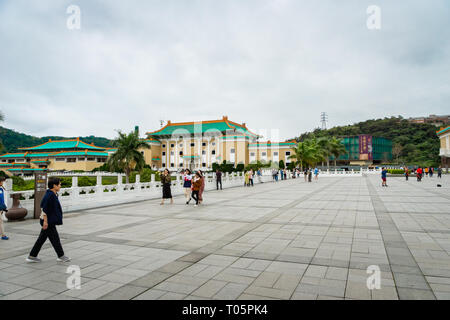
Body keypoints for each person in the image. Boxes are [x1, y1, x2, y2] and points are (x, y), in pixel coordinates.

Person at [26, 177, 70, 263]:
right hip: (47, 221)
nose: (60, 186)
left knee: (42, 239)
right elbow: (44, 208)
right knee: (55, 239)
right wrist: (45, 222)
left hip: (48, 221)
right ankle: (61, 256)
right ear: (54, 185)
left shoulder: (52, 194)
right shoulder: (49, 195)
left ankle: (32, 256)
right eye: (59, 184)